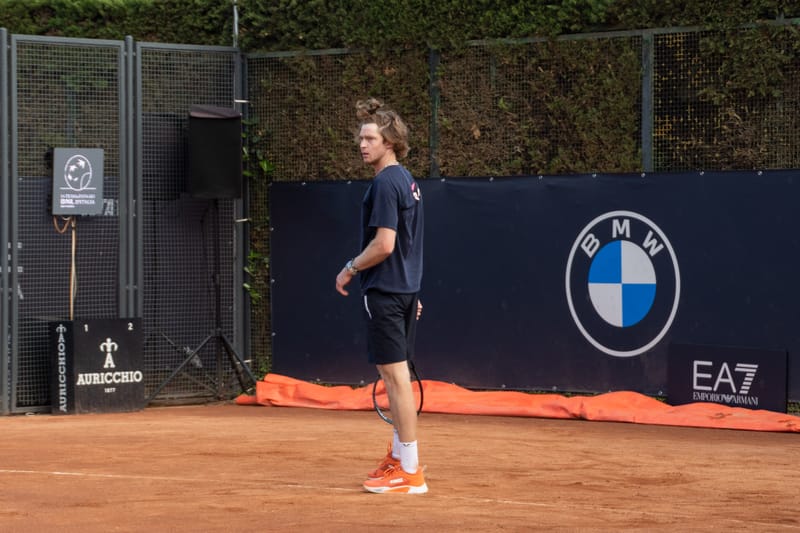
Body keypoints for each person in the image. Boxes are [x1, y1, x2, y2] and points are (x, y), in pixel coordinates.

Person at [335, 97, 427, 494]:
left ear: (390, 142)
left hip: (387, 292)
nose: (362, 144)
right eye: (361, 137)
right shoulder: (405, 179)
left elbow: (386, 244)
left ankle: (410, 471)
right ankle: (398, 458)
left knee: (396, 380)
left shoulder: (385, 183)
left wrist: (350, 267)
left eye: (370, 137)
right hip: (402, 290)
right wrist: (410, 289)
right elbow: (408, 243)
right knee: (396, 378)